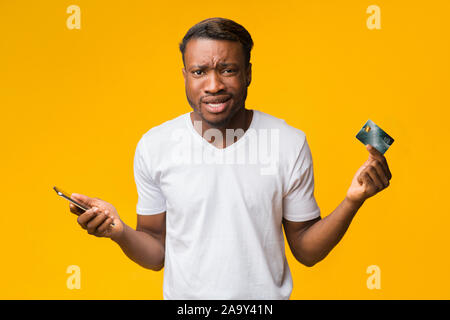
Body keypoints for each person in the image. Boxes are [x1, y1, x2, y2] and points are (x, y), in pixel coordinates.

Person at [69, 17, 392, 299]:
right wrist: (119, 231)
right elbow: (155, 253)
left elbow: (307, 251)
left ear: (248, 73)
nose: (213, 85)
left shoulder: (287, 142)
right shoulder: (156, 144)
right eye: (199, 71)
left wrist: (353, 200)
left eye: (228, 70)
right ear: (185, 76)